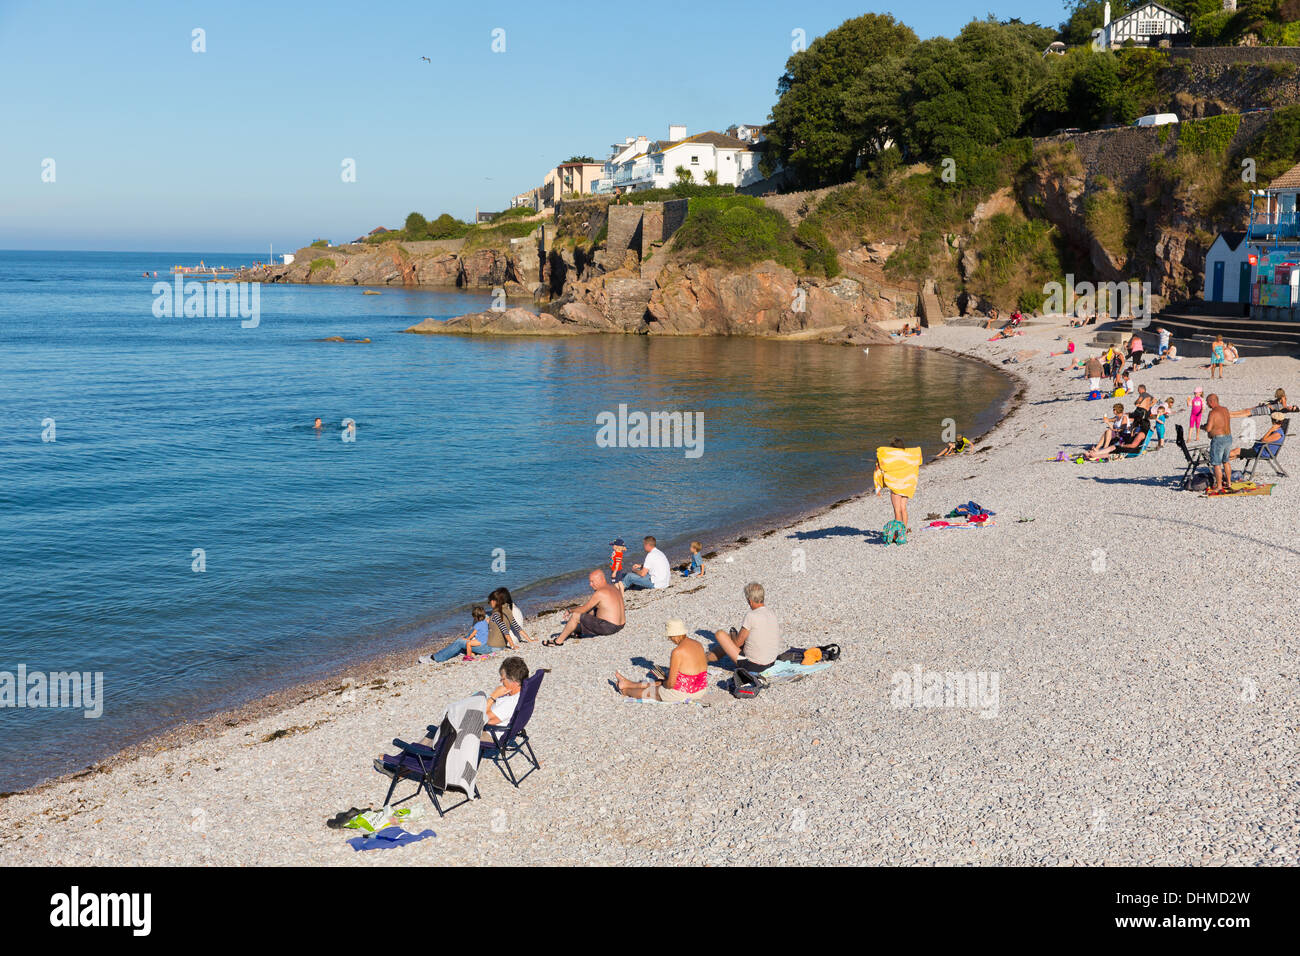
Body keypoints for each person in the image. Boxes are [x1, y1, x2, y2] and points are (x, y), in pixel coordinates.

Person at [613, 619, 709, 702]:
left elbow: (670, 684)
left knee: (652, 692)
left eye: (669, 637)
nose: (670, 639)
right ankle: (628, 683)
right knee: (659, 682)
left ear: (673, 635)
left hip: (684, 693)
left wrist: (664, 683)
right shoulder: (698, 644)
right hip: (700, 690)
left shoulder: (678, 652)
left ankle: (625, 690)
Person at [707, 582, 782, 673]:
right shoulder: (771, 613)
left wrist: (731, 638)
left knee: (720, 634)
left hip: (754, 666)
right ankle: (706, 658)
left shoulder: (751, 615)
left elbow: (738, 643)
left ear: (750, 600)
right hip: (771, 662)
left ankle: (704, 659)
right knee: (730, 639)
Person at [545, 569, 626, 646]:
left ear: (600, 579)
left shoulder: (600, 592)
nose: (590, 584)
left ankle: (558, 641)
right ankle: (574, 632)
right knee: (591, 611)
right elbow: (589, 609)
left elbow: (584, 609)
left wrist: (570, 610)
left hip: (609, 627)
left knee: (576, 616)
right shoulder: (613, 587)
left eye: (592, 581)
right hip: (621, 625)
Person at [874, 439, 921, 536]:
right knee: (903, 508)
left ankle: (899, 532)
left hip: (896, 487)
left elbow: (882, 460)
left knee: (897, 509)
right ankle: (904, 530)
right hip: (907, 485)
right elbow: (918, 460)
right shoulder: (908, 456)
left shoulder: (893, 458)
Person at [422, 605, 491, 663]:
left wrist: (467, 639)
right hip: (487, 642)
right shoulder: (488, 618)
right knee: (465, 638)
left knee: (460, 641)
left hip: (488, 647)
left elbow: (474, 633)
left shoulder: (483, 621)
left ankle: (435, 658)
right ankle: (466, 651)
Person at [1204, 393, 1233, 492]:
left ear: (1212, 402)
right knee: (1226, 461)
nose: (1207, 405)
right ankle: (1229, 482)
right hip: (1228, 437)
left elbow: (1208, 428)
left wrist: (1203, 427)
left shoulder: (1213, 413)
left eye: (1207, 402)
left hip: (1219, 439)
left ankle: (1219, 485)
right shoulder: (1225, 410)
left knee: (1216, 463)